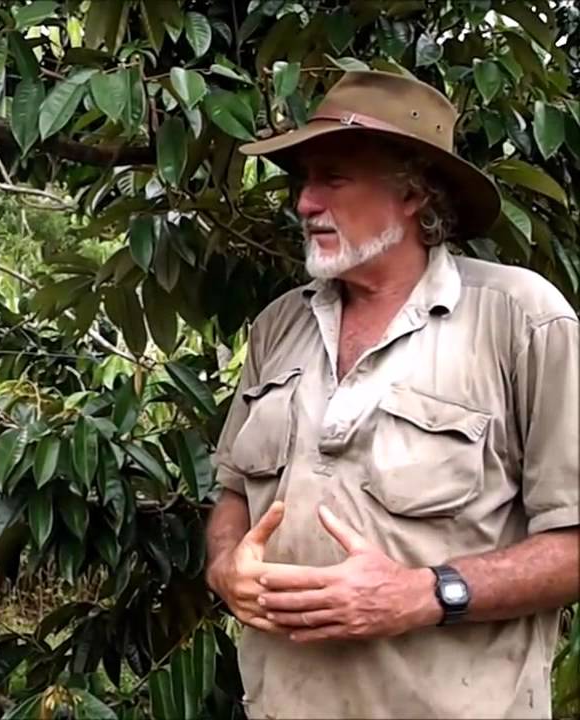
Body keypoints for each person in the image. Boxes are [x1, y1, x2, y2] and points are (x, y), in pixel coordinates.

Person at [205, 70, 579, 718]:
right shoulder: (278, 327)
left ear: (412, 193)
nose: (305, 204)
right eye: (304, 182)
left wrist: (425, 593)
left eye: (333, 179)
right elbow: (233, 495)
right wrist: (224, 568)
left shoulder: (521, 321)